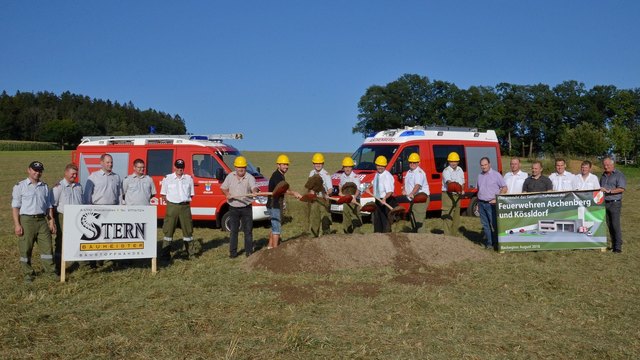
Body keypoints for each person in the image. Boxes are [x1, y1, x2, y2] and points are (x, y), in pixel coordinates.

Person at [11, 161, 57, 282]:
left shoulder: (45, 186)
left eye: (40, 171)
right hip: (27, 220)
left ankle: (51, 272)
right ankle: (28, 274)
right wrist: (17, 224)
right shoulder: (20, 186)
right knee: (26, 248)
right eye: (35, 170)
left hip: (42, 220)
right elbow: (15, 207)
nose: (37, 173)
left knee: (47, 248)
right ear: (29, 170)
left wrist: (51, 221)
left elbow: (49, 205)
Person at [221, 156, 258, 258]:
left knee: (248, 230)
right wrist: (227, 194)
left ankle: (249, 252)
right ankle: (233, 253)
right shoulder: (230, 176)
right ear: (235, 167)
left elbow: (254, 187)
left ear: (245, 167)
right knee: (234, 231)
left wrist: (254, 192)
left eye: (243, 167)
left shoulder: (250, 177)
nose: (241, 169)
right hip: (233, 207)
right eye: (239, 167)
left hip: (246, 207)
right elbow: (223, 188)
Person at [160, 159, 196, 260]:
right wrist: (171, 203)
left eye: (181, 167)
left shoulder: (189, 179)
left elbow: (191, 194)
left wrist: (183, 201)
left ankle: (190, 253)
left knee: (188, 231)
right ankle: (165, 254)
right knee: (168, 231)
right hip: (172, 206)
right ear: (174, 167)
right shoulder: (168, 178)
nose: (180, 169)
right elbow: (163, 195)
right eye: (178, 167)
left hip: (185, 207)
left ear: (184, 167)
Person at [51, 163, 84, 271]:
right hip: (63, 217)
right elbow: (52, 205)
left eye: (76, 174)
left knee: (77, 240)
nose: (74, 176)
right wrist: (54, 221)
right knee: (61, 242)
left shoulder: (79, 187)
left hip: (77, 218)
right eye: (72, 174)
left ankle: (78, 263)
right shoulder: (58, 187)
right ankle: (59, 266)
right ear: (66, 173)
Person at [266, 154, 301, 249]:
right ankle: (275, 250)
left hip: (275, 204)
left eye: (287, 164)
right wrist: (294, 193)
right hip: (274, 204)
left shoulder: (281, 176)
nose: (286, 166)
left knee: (274, 225)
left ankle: (269, 247)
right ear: (278, 165)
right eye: (283, 164)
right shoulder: (277, 176)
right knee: (277, 227)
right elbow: (282, 190)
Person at [477, 157, 508, 249]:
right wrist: (478, 203)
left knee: (495, 224)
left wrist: (497, 198)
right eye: (482, 165)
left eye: (485, 165)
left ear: (489, 164)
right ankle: (490, 243)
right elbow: (479, 190)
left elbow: (504, 188)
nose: (484, 167)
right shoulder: (479, 176)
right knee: (485, 225)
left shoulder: (496, 175)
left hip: (492, 204)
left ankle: (498, 243)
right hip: (481, 203)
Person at [600, 157, 626, 253]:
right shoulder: (603, 176)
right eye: (604, 165)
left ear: (612, 164)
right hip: (604, 203)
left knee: (615, 225)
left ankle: (618, 247)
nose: (606, 167)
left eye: (608, 165)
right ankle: (613, 244)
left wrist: (609, 191)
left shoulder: (619, 175)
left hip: (615, 203)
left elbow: (621, 188)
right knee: (609, 225)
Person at [400, 152, 430, 233]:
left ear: (418, 163)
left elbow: (417, 185)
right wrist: (404, 189)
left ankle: (421, 238)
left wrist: (412, 193)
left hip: (421, 199)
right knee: (413, 219)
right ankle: (415, 238)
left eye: (414, 162)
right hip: (413, 199)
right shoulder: (409, 172)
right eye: (411, 162)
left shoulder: (419, 173)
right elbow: (406, 182)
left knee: (419, 220)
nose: (412, 164)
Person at [307, 153, 333, 237]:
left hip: (323, 199)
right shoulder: (311, 173)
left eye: (320, 163)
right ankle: (314, 236)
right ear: (313, 164)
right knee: (315, 218)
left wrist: (327, 194)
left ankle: (326, 236)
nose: (318, 165)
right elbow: (309, 186)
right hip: (315, 199)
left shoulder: (326, 175)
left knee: (325, 218)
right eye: (316, 163)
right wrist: (311, 192)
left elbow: (330, 189)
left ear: (323, 164)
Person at [441, 152, 465, 237]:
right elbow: (449, 183)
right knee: (448, 216)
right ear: (448, 162)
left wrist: (462, 189)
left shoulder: (460, 170)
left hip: (457, 196)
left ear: (458, 162)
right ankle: (447, 238)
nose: (453, 163)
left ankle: (453, 237)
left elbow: (462, 182)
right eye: (451, 161)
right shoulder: (446, 171)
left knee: (456, 218)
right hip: (448, 195)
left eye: (455, 161)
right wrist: (458, 189)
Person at [372, 155, 397, 233]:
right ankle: (378, 238)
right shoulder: (377, 174)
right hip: (378, 200)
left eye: (382, 165)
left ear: (385, 165)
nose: (380, 167)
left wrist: (385, 198)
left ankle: (387, 238)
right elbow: (373, 183)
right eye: (378, 165)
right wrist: (367, 187)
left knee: (385, 222)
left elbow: (390, 191)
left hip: (386, 201)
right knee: (377, 222)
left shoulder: (387, 176)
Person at [338, 157, 362, 234]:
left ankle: (356, 234)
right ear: (343, 168)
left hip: (354, 199)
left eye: (349, 167)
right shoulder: (342, 176)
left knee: (355, 216)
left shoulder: (355, 177)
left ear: (352, 167)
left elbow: (358, 189)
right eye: (345, 167)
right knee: (346, 216)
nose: (347, 169)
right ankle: (347, 233)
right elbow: (340, 185)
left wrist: (354, 197)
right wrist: (340, 192)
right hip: (346, 200)